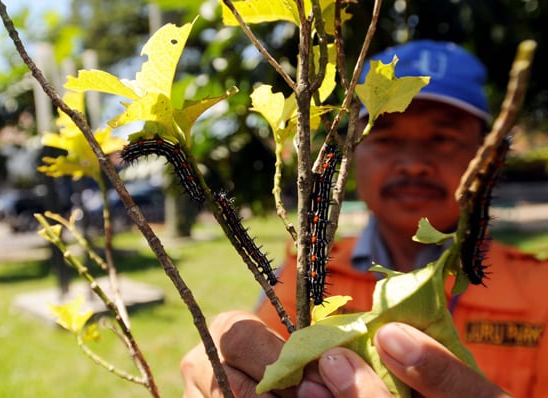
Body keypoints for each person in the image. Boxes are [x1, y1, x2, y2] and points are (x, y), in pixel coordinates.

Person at [181, 40, 548, 397]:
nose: (413, 164)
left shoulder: (539, 291)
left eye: (442, 138)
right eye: (385, 137)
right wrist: (224, 368)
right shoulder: (303, 273)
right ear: (354, 154)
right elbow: (255, 356)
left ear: (485, 158)